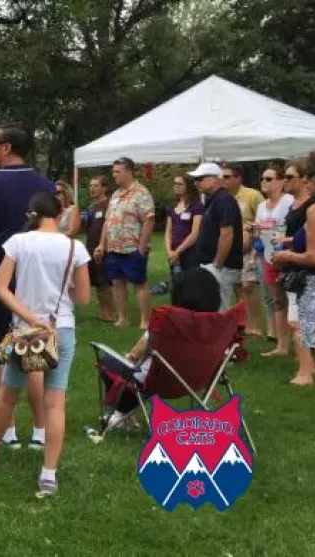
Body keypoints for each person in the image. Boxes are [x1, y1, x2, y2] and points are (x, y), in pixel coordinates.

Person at [0, 191, 91, 498]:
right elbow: (84, 299)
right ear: (59, 214)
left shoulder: (18, 243)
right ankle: (48, 475)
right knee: (55, 402)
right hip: (62, 329)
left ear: (31, 214)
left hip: (26, 333)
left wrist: (31, 319)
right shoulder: (75, 247)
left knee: (7, 397)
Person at [0, 123, 56, 450]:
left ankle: (8, 429)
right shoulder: (45, 186)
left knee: (1, 356)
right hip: (35, 281)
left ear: (5, 148)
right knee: (33, 355)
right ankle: (41, 430)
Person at [98, 267, 221, 429]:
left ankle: (123, 413)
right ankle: (124, 415)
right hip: (199, 378)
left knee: (110, 362)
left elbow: (135, 353)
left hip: (160, 381)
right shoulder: (219, 325)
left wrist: (130, 356)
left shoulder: (168, 322)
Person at [272, 158, 315, 385]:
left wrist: (287, 255)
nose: (306, 182)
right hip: (306, 279)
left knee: (306, 332)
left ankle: (306, 373)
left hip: (312, 281)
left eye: (308, 177)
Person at [94, 157, 154, 329]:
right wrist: (101, 244)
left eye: (117, 171)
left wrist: (142, 247)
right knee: (117, 283)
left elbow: (149, 220)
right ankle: (122, 318)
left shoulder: (141, 193)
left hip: (133, 248)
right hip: (114, 248)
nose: (114, 175)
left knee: (139, 283)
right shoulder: (115, 194)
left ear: (129, 171)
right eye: (113, 172)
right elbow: (108, 221)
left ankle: (145, 321)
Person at [190, 163, 243, 310]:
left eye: (200, 179)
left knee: (218, 309)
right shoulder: (212, 200)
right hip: (211, 264)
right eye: (195, 179)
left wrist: (217, 263)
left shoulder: (223, 200)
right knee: (210, 307)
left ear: (214, 179)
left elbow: (227, 233)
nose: (196, 183)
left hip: (221, 266)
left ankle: (223, 333)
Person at [255, 164, 294, 357]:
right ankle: (282, 346)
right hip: (269, 257)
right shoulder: (262, 205)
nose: (264, 182)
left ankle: (303, 345)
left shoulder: (288, 201)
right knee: (278, 301)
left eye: (269, 179)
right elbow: (260, 231)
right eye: (262, 179)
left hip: (289, 257)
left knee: (295, 302)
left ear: (280, 181)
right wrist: (254, 229)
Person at [224, 163, 267, 336]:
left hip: (250, 248)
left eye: (227, 177)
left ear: (238, 178)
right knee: (237, 286)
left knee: (249, 286)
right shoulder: (223, 197)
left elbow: (265, 219)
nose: (223, 180)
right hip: (230, 248)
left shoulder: (252, 195)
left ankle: (254, 325)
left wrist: (253, 240)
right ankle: (242, 321)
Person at [84, 176, 115, 322]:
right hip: (90, 247)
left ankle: (110, 314)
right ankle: (103, 312)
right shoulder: (91, 207)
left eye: (96, 186)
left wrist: (104, 246)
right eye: (91, 186)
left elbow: (111, 227)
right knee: (97, 282)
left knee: (104, 282)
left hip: (104, 248)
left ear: (104, 188)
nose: (92, 188)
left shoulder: (109, 205)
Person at [164, 175, 204, 279]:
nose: (176, 186)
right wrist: (169, 251)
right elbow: (168, 231)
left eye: (179, 184)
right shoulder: (172, 206)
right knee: (177, 284)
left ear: (189, 186)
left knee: (191, 283)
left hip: (190, 252)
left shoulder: (196, 205)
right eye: (175, 184)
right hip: (173, 253)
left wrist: (177, 252)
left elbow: (195, 233)